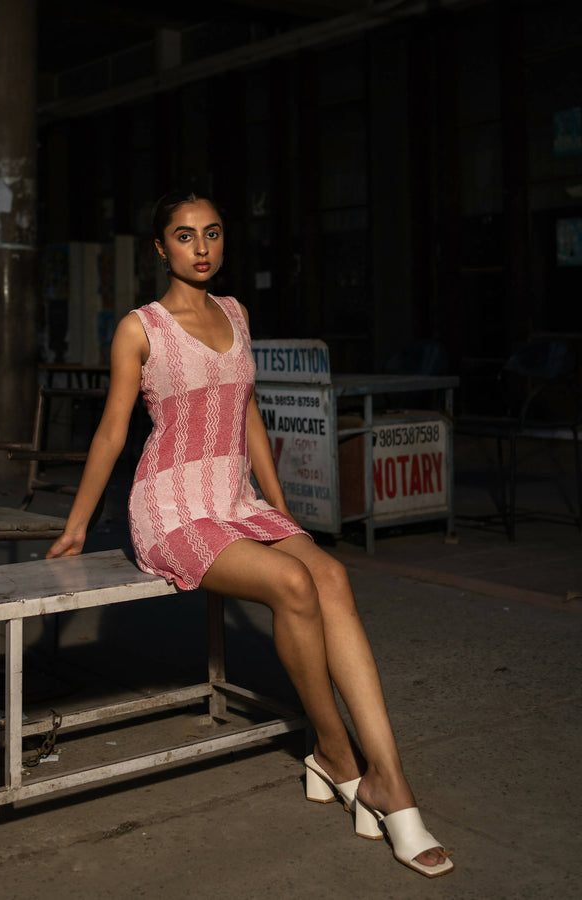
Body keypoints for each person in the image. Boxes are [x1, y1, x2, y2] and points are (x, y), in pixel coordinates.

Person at [47, 190, 454, 878]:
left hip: (234, 497)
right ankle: (339, 755)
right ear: (160, 248)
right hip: (171, 506)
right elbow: (115, 428)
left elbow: (249, 413)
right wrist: (78, 525)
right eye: (184, 236)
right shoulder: (139, 328)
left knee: (330, 574)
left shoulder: (236, 312)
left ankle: (382, 773)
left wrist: (281, 506)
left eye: (212, 234)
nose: (201, 248)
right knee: (294, 586)